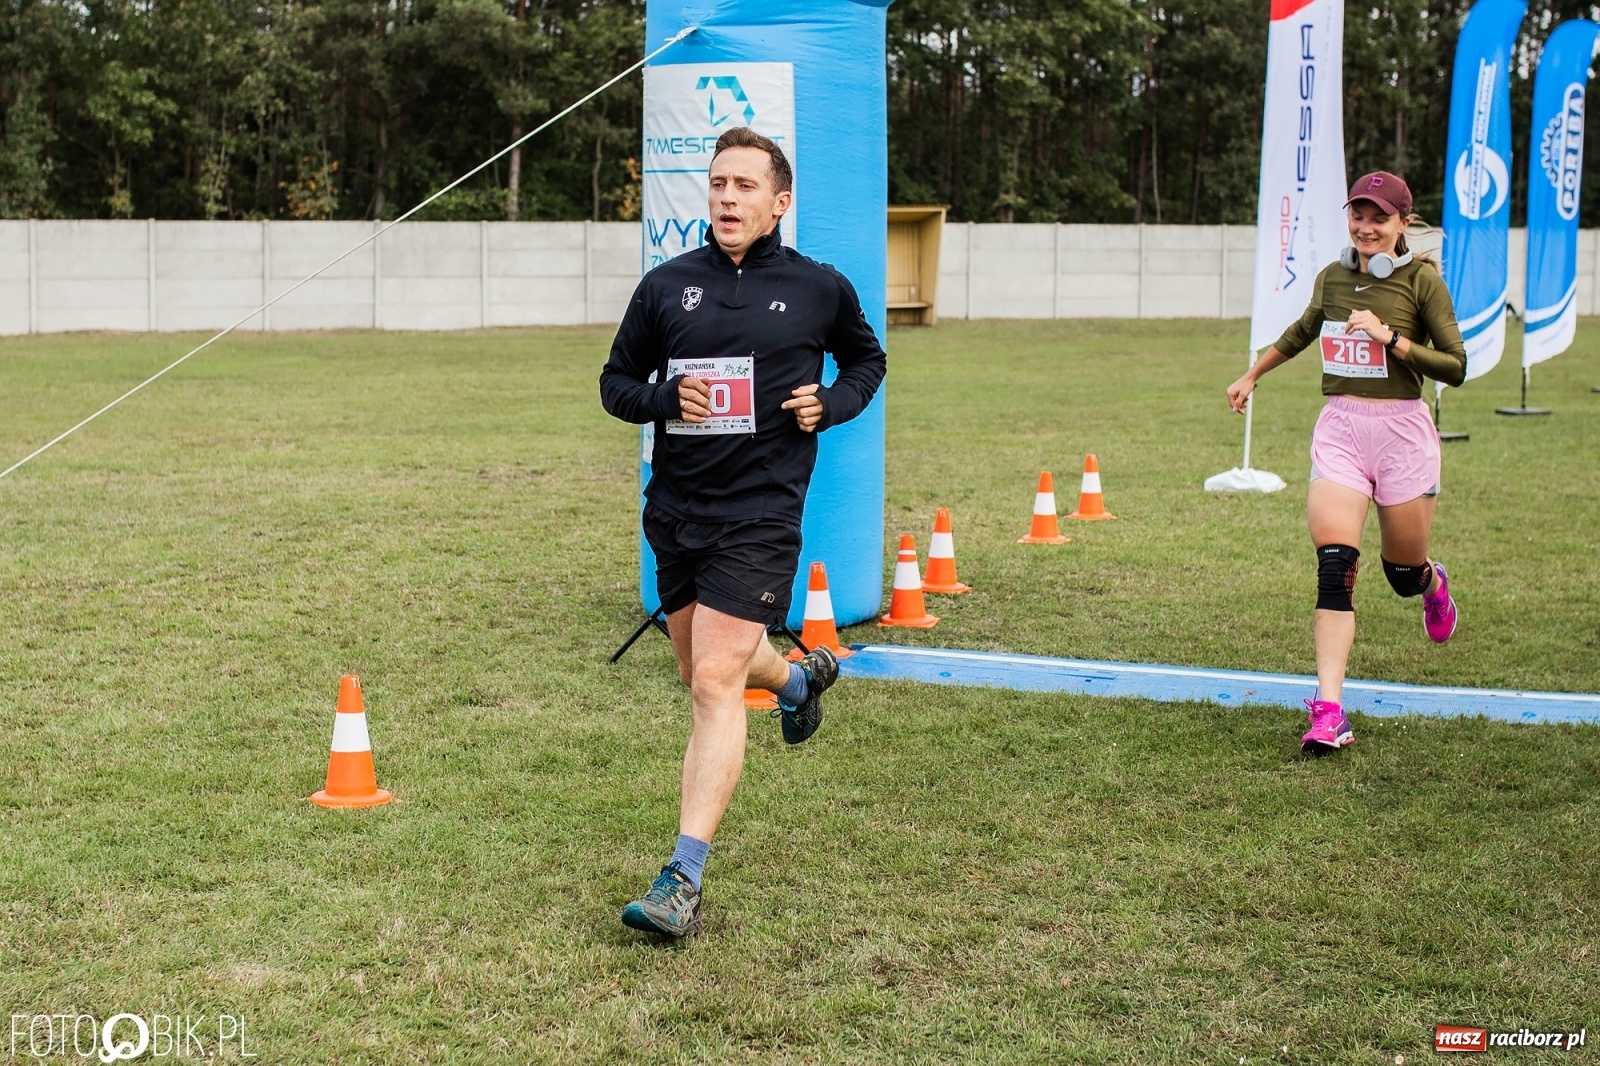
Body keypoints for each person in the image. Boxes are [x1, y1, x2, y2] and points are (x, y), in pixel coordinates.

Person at [599, 127, 888, 936]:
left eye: (744, 186)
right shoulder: (666, 287)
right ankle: (798, 681)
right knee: (702, 665)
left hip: (761, 512)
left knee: (713, 683)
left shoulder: (818, 288)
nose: (727, 198)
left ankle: (681, 881)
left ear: (779, 202)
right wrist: (665, 400)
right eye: (718, 183)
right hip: (678, 510)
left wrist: (829, 404)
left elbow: (868, 362)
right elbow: (615, 384)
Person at [1226, 171, 1465, 754]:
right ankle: (1330, 711)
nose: (1365, 227)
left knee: (1401, 575)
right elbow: (1307, 329)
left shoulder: (1422, 284)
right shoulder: (1333, 277)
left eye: (1379, 217)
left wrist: (1392, 340)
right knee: (1335, 567)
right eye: (1358, 215)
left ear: (1403, 223)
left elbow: (1456, 366)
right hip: (1342, 430)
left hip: (1403, 433)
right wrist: (1254, 373)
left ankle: (1432, 583)